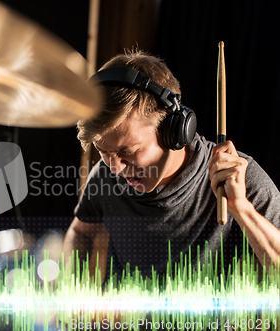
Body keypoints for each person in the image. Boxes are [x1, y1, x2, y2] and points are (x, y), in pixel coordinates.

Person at [63, 50, 280, 284]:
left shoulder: (243, 182)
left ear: (174, 131)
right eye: (103, 152)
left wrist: (241, 208)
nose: (115, 167)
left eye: (128, 152)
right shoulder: (105, 177)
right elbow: (81, 231)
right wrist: (74, 288)